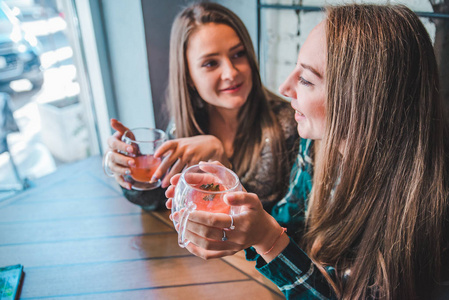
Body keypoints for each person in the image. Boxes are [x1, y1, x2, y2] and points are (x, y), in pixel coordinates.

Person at [166, 4, 449, 299]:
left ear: (362, 101)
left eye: (306, 79)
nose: (284, 87)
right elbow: (289, 228)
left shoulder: (430, 212)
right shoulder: (315, 145)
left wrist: (266, 237)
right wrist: (240, 215)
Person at [103, 2, 298, 211]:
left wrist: (221, 164)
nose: (230, 72)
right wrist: (130, 167)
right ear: (188, 77)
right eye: (210, 63)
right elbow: (159, 198)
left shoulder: (289, 123)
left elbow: (279, 222)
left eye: (238, 54)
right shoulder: (185, 123)